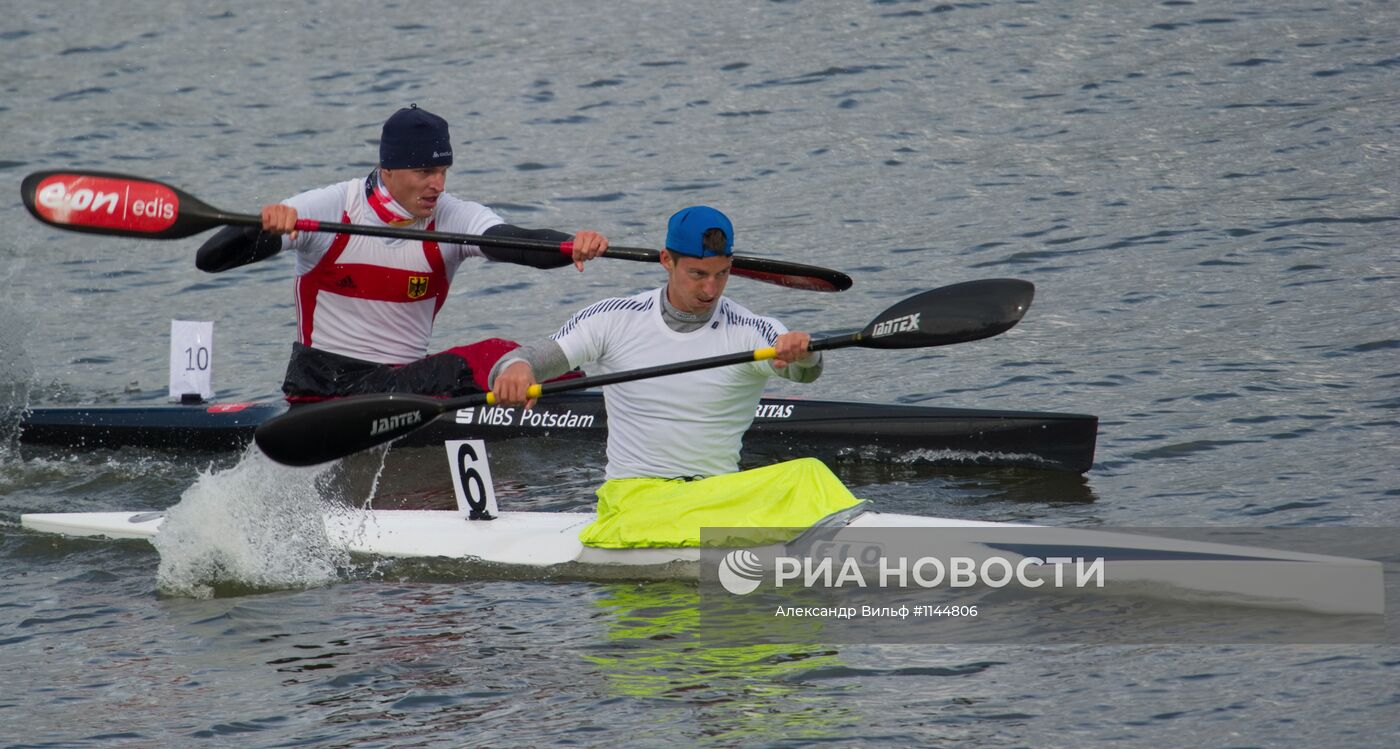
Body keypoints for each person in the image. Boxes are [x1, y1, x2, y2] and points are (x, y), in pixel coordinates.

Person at [489, 206, 863, 548]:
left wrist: (804, 352)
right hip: (638, 499)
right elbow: (530, 358)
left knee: (808, 474)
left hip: (717, 496)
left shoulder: (752, 329)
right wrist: (516, 369)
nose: (710, 289)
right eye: (698, 274)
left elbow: (804, 373)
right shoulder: (614, 318)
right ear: (667, 261)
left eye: (722, 274)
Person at [194, 104, 610, 401]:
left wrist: (571, 245)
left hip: (401, 386)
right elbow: (210, 260)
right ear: (388, 170)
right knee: (492, 355)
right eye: (425, 172)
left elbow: (513, 241)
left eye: (443, 171)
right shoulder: (333, 206)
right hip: (321, 386)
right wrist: (258, 228)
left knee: (554, 372)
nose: (438, 185)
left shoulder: (451, 216)